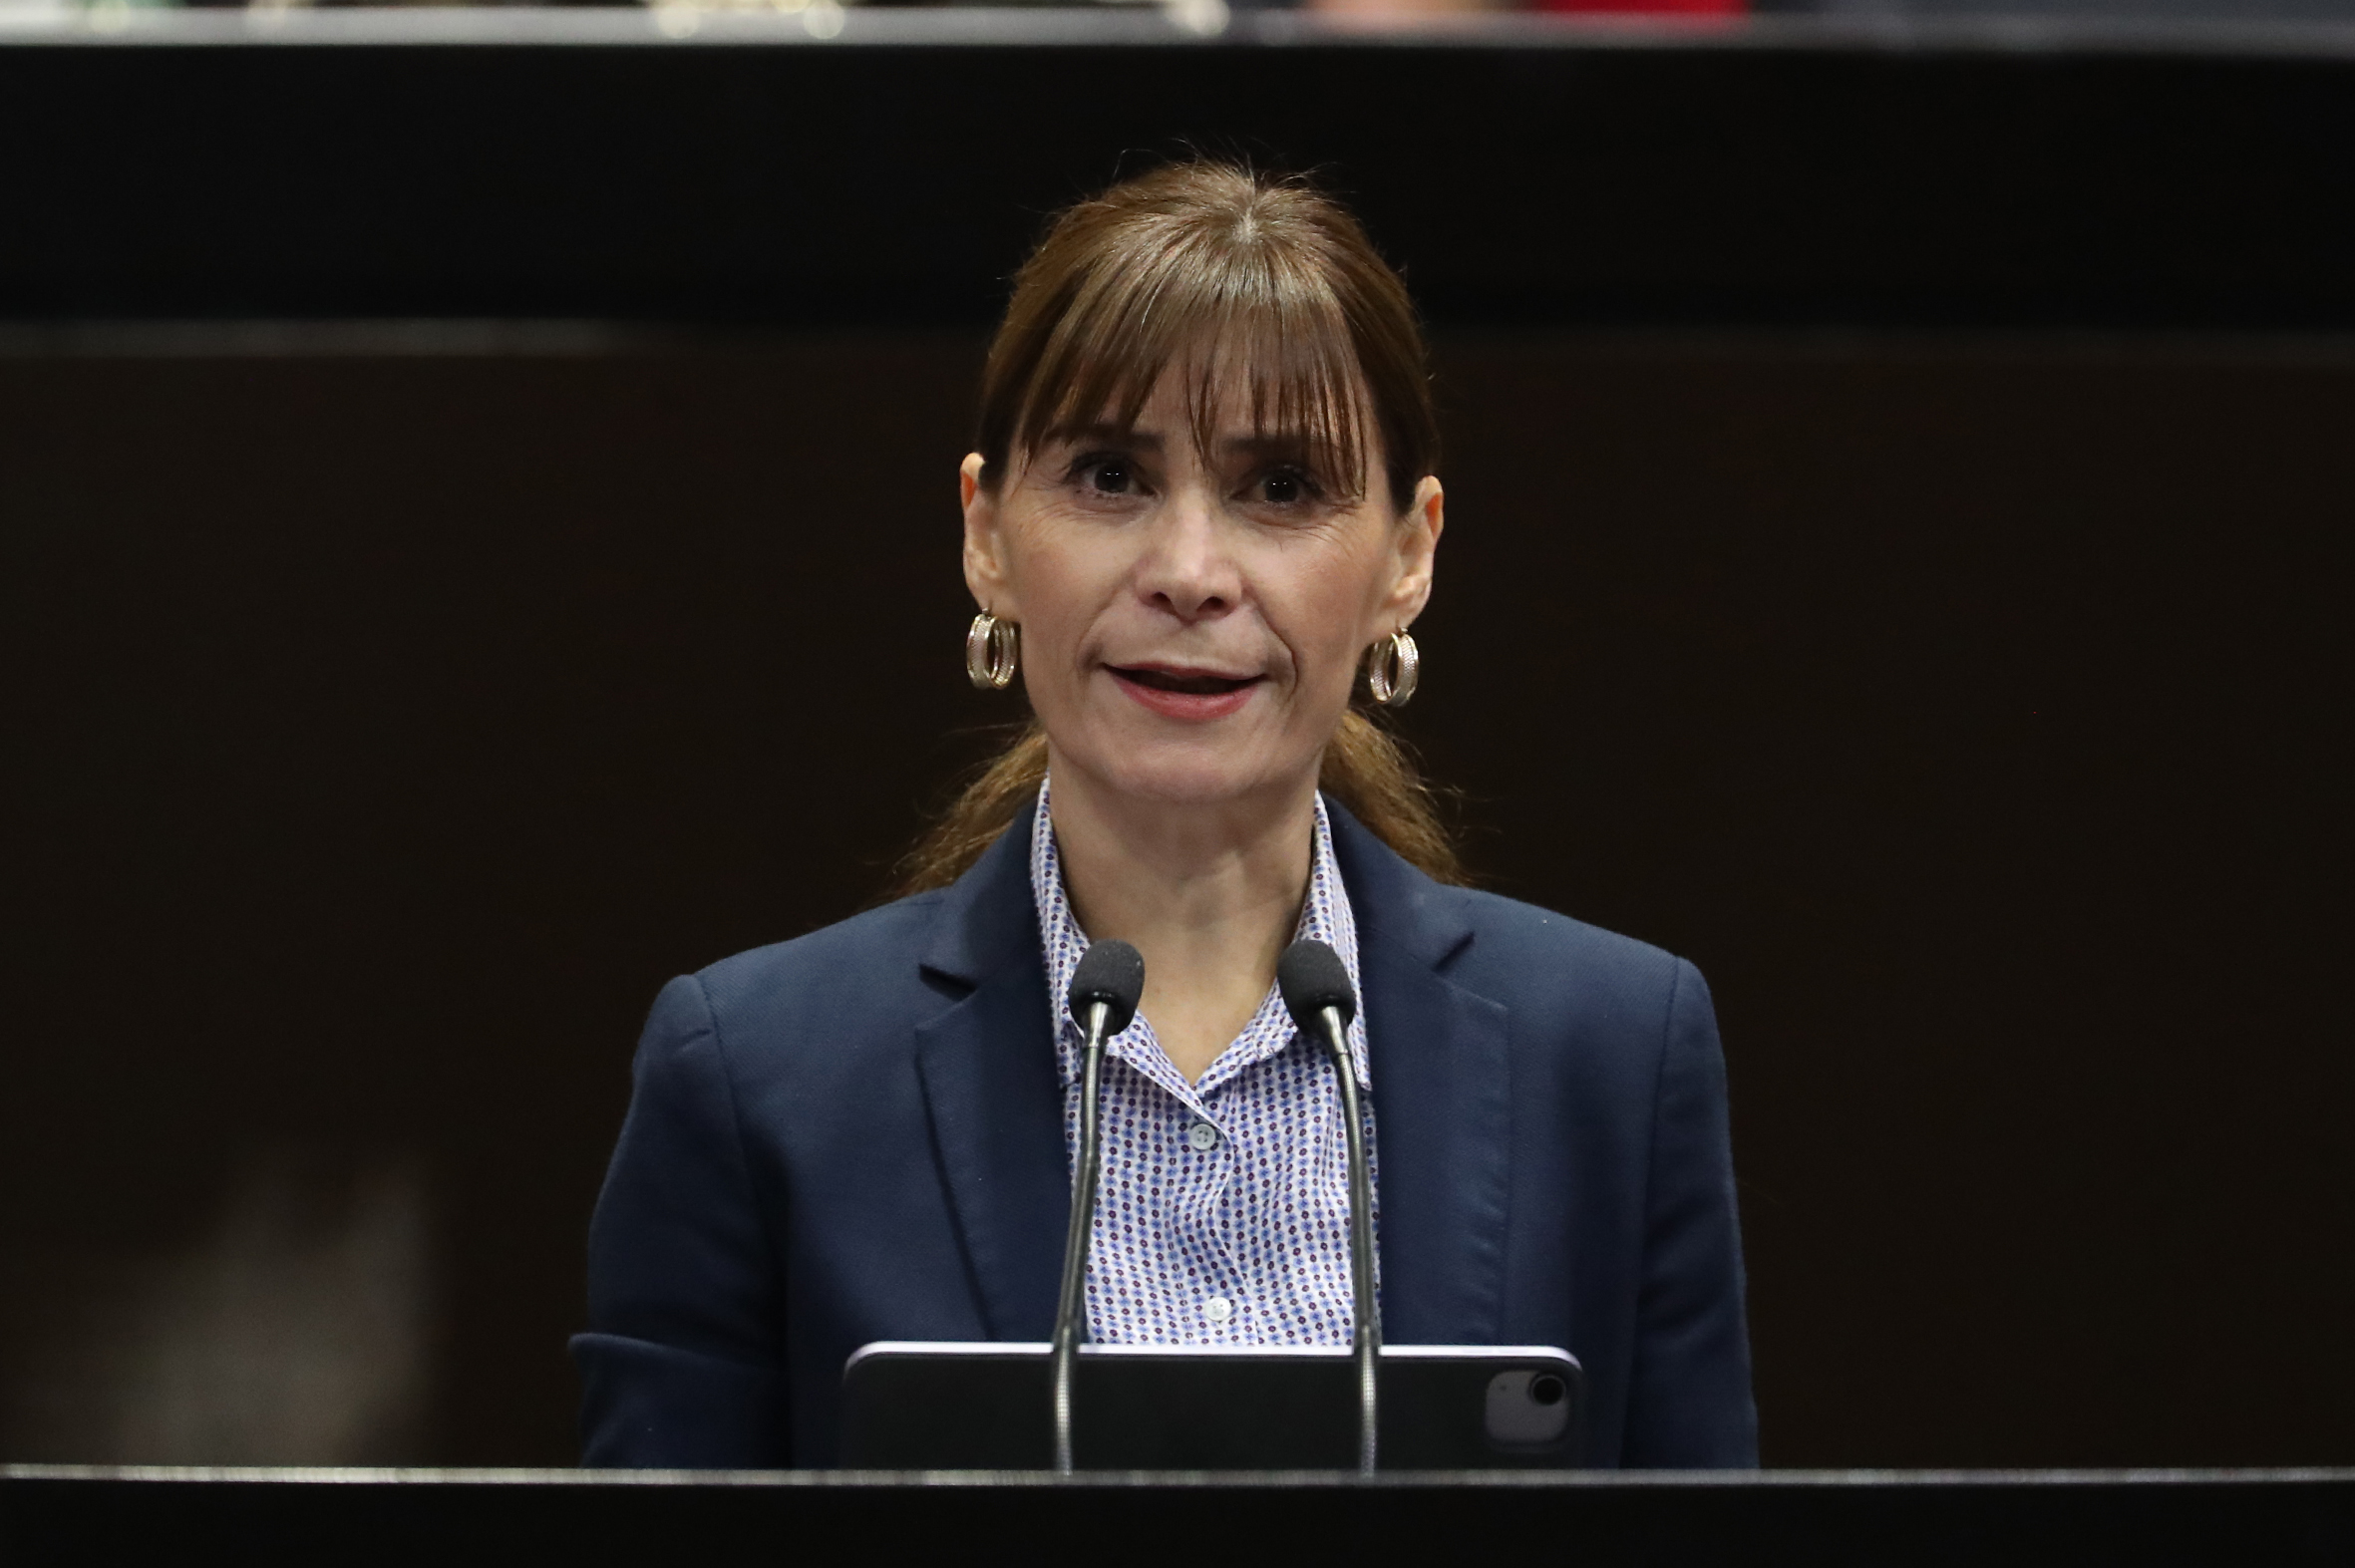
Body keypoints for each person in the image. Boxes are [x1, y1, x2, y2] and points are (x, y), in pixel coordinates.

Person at [573, 160, 1757, 1468]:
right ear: (985, 534)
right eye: (1109, 475)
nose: (1190, 573)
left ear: (1409, 556)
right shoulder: (753, 1078)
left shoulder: (1612, 1057)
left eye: (1283, 487)